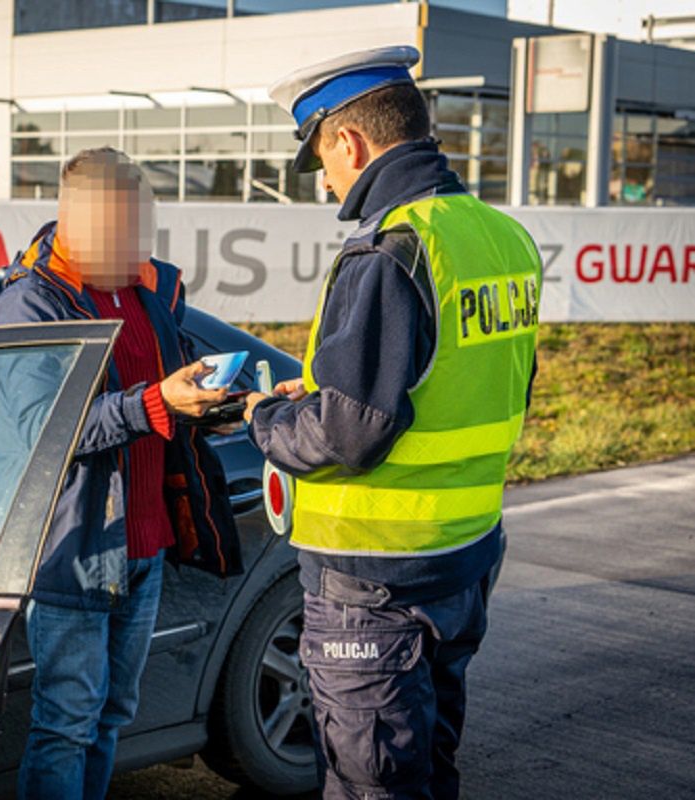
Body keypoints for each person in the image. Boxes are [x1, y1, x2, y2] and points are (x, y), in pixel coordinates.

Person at [243, 46, 541, 800]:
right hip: (464, 555)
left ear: (350, 142)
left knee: (372, 782)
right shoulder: (501, 238)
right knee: (429, 767)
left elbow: (348, 436)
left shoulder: (386, 251)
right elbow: (481, 386)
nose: (325, 179)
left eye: (320, 157)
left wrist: (269, 417)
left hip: (373, 581)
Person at [0, 147, 242, 800]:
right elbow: (46, 428)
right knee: (66, 725)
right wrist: (160, 403)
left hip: (144, 545)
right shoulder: (33, 302)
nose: (134, 235)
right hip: (75, 548)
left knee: (109, 717)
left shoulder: (145, 288)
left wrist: (208, 411)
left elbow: (164, 388)